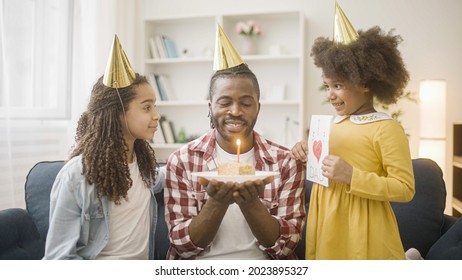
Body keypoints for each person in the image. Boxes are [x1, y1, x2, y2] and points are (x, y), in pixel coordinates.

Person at [164, 25, 305, 260]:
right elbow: (182, 247)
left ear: (258, 107)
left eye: (246, 103)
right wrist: (217, 201)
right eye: (225, 102)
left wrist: (250, 202)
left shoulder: (285, 162)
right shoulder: (181, 161)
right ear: (210, 106)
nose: (236, 111)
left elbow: (285, 247)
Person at [290, 3, 415, 259]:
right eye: (327, 86)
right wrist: (303, 156)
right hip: (326, 221)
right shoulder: (328, 125)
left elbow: (405, 188)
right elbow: (318, 172)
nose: (331, 95)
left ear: (365, 83)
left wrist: (352, 176)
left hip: (364, 228)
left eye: (338, 85)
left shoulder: (386, 128)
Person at [43, 35, 164, 259]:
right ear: (117, 113)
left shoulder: (143, 166)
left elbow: (163, 176)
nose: (156, 115)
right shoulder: (77, 176)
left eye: (154, 106)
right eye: (146, 108)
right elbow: (59, 259)